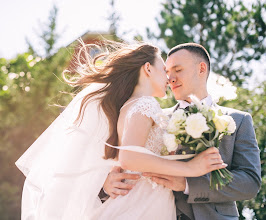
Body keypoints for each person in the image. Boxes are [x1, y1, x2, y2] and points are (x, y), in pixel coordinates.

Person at [15, 41, 227, 219]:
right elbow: (129, 158)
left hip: (145, 201)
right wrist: (191, 169)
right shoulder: (146, 104)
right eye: (164, 70)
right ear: (147, 69)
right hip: (142, 204)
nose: (169, 78)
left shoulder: (128, 106)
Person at [103, 43, 261, 220]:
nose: (170, 78)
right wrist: (105, 185)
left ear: (201, 69)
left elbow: (250, 182)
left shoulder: (238, 120)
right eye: (167, 72)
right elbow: (122, 157)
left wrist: (188, 184)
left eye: (177, 70)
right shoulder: (155, 117)